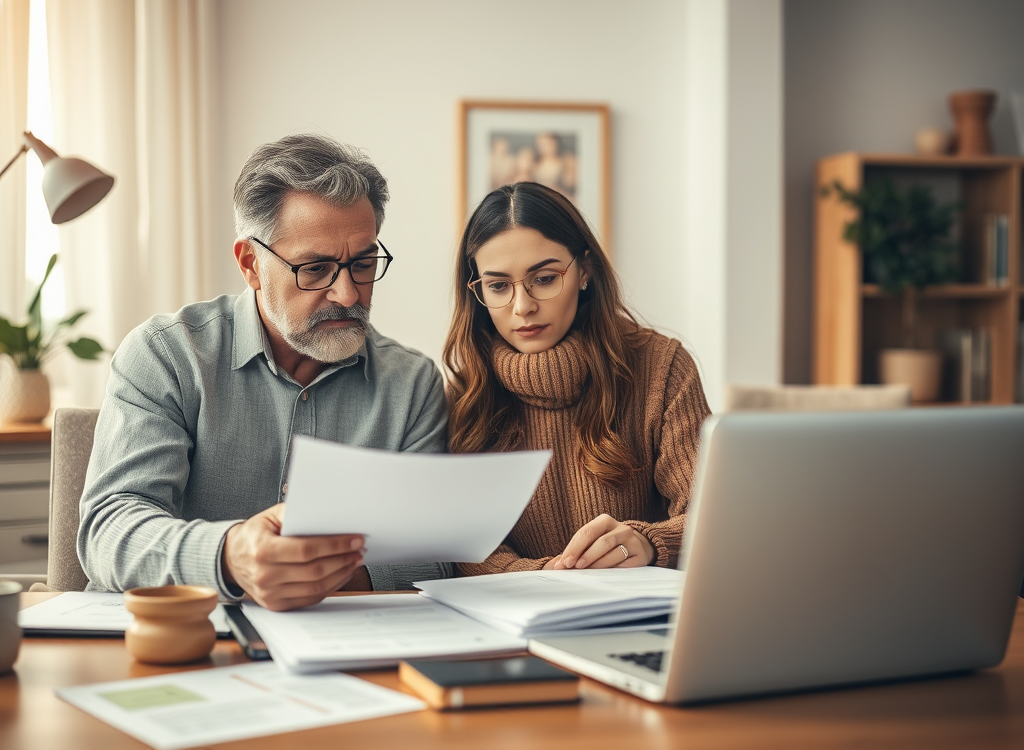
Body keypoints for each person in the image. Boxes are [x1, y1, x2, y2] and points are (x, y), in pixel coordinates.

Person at [78, 134, 451, 611]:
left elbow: (435, 556)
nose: (349, 295)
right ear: (251, 263)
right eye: (315, 269)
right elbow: (108, 531)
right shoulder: (166, 356)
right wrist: (233, 557)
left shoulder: (412, 384)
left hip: (344, 647)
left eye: (362, 264)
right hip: (183, 639)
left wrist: (318, 571)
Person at [443, 182, 710, 575]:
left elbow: (713, 513)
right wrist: (542, 577)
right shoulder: (467, 395)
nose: (523, 306)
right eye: (498, 286)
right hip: (514, 615)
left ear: (584, 271)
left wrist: (650, 542)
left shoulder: (662, 368)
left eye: (545, 278)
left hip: (641, 617)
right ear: (477, 292)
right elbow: (462, 543)